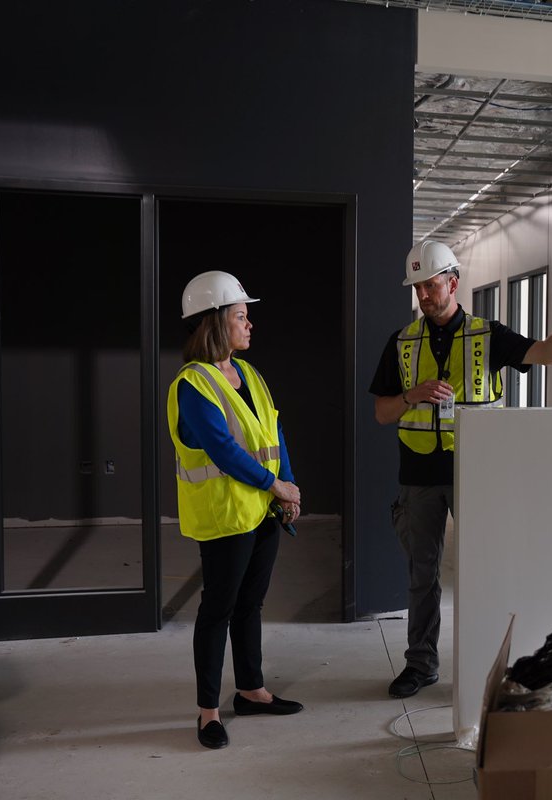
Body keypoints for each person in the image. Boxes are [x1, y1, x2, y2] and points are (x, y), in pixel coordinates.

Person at [370, 241, 552, 699]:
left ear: (452, 282)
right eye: (418, 287)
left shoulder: (488, 334)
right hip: (418, 475)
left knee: (486, 570)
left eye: (431, 284)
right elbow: (382, 414)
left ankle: (488, 667)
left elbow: (546, 354)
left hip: (477, 470)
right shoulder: (402, 342)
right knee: (421, 575)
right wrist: (413, 394)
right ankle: (420, 665)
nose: (424, 295)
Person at [166, 270, 305, 750]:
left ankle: (250, 689)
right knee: (217, 611)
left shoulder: (250, 374)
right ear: (215, 321)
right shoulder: (193, 385)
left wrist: (288, 486)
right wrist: (276, 485)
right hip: (226, 518)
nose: (250, 325)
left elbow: (274, 431)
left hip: (263, 512)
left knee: (251, 604)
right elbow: (223, 450)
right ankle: (208, 712)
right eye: (241, 316)